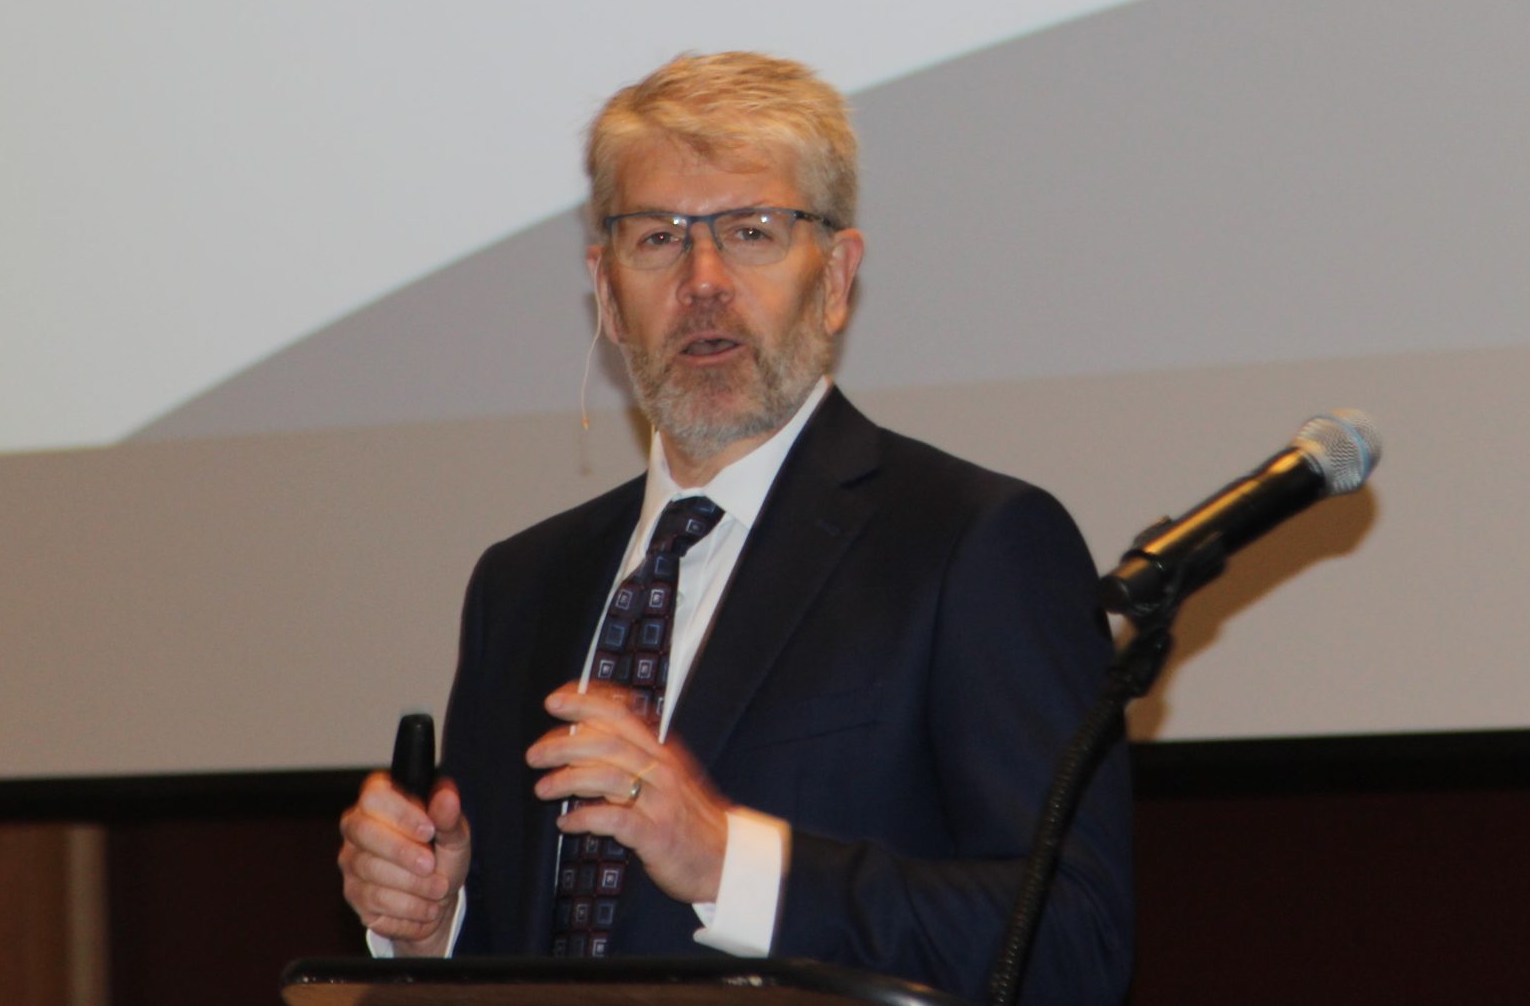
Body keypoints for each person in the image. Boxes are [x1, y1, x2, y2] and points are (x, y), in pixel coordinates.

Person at [337, 52, 1132, 1001]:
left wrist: (725, 860)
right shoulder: (521, 584)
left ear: (835, 277)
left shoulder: (975, 544)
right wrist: (433, 921)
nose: (703, 280)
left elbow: (1074, 946)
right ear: (607, 291)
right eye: (658, 239)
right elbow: (532, 948)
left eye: (752, 231)